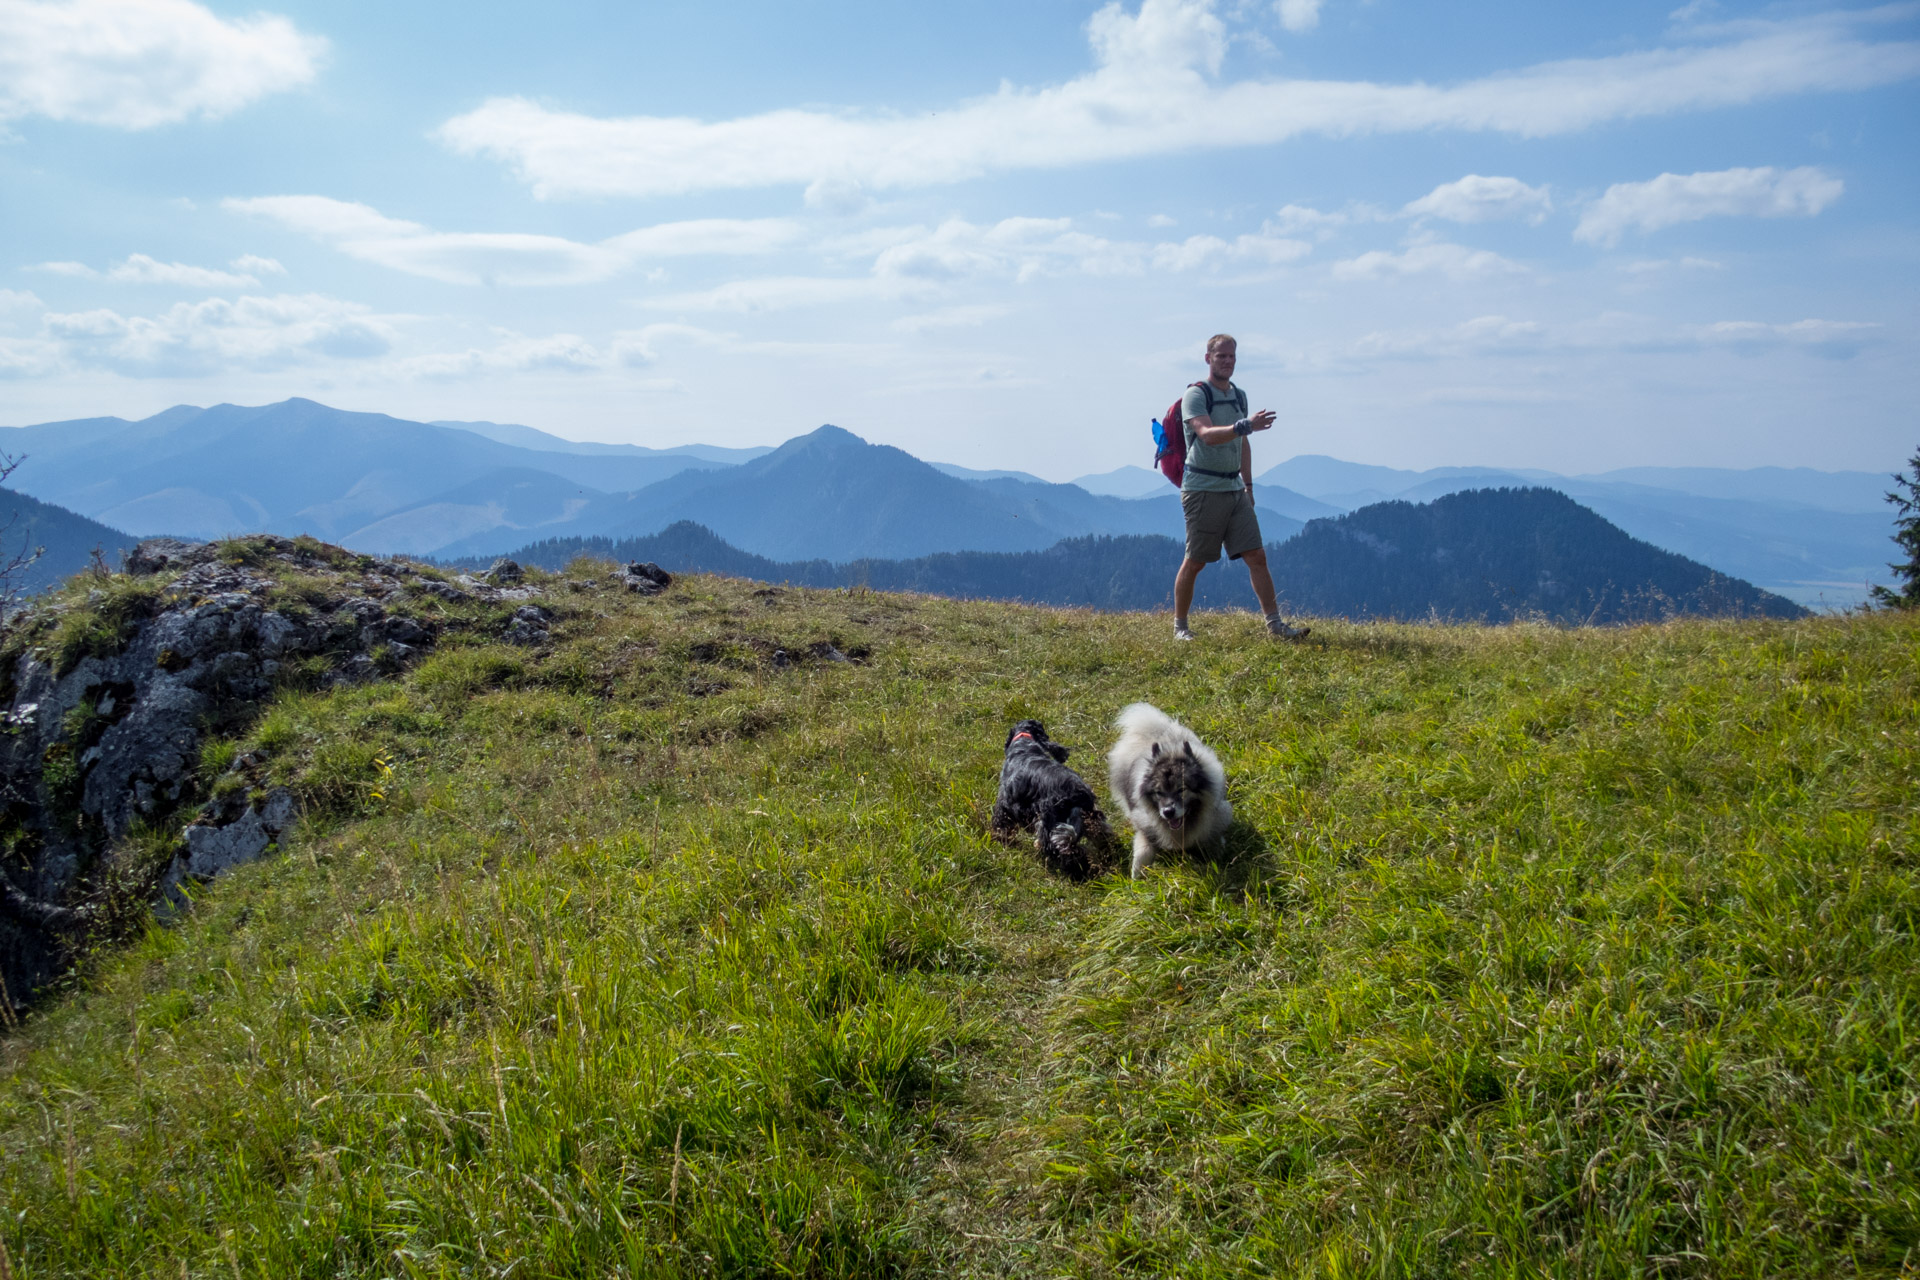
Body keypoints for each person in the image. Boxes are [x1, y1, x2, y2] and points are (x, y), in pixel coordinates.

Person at [1172, 333, 1309, 642]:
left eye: (1232, 356)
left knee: (1257, 555)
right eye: (1221, 356)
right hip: (1202, 488)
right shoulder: (1195, 395)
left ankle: (1275, 626)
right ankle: (1180, 628)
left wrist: (1248, 485)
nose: (1228, 362)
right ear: (1208, 358)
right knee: (1195, 560)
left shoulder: (1238, 395)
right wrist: (1244, 424)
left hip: (1233, 489)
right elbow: (1206, 434)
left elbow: (1242, 444)